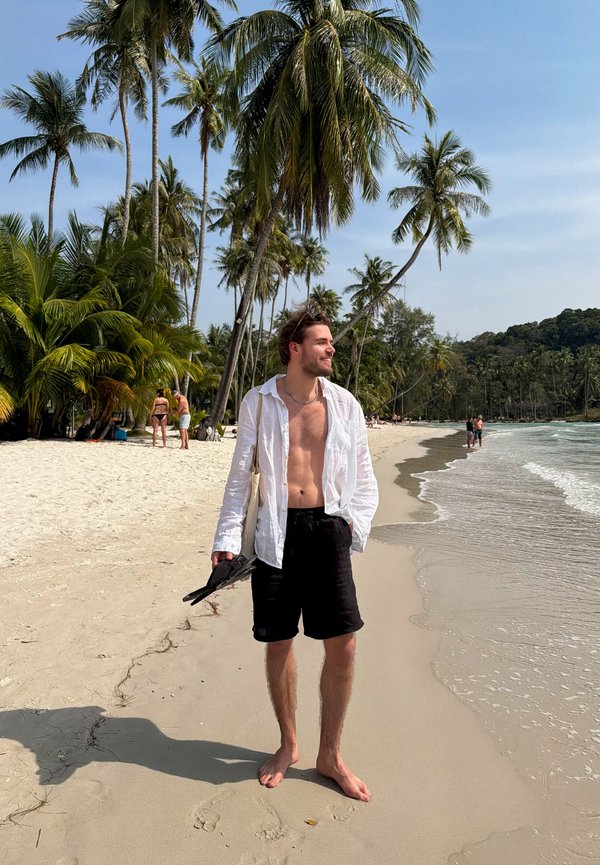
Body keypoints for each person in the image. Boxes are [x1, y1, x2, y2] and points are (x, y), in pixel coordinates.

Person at [212, 308, 378, 802]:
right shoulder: (259, 402)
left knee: (343, 643)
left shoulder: (345, 405)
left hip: (329, 528)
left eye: (330, 343)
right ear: (295, 348)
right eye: (322, 342)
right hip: (275, 529)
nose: (330, 349)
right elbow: (242, 475)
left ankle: (330, 754)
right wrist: (225, 539)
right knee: (279, 640)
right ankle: (289, 744)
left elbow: (364, 476)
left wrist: (352, 525)